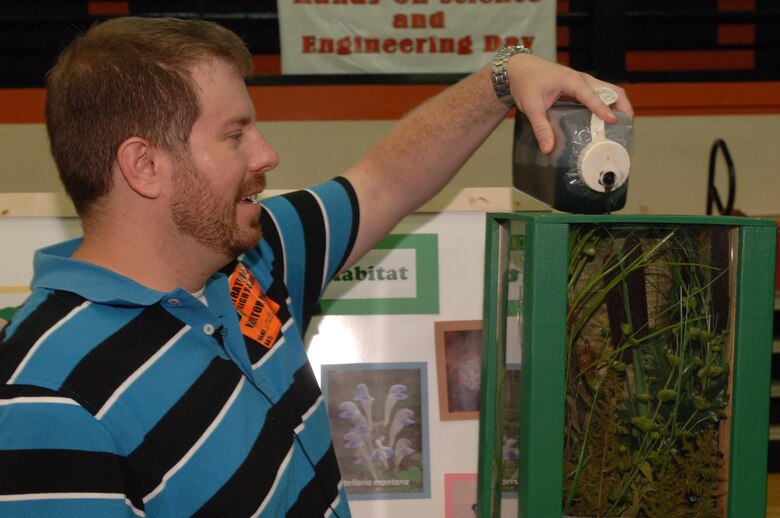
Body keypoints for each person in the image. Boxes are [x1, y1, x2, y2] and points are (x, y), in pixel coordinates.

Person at [0, 16, 632, 517]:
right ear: (145, 166)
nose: (267, 153)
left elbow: (383, 182)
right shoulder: (44, 397)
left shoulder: (251, 257)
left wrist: (505, 75)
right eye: (234, 133)